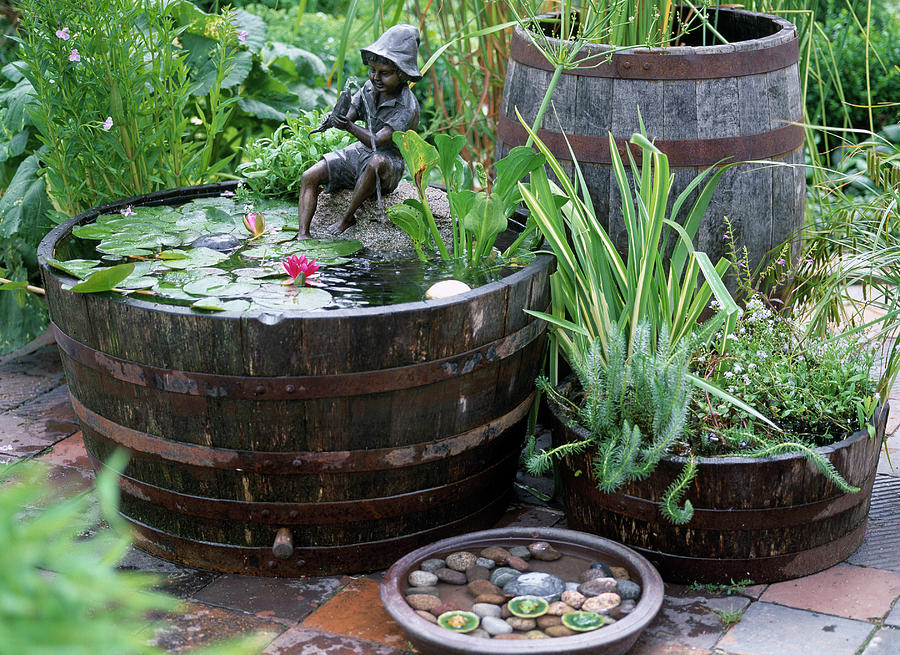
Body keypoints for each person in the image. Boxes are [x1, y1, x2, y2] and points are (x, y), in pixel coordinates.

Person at [296, 24, 422, 239]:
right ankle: (303, 234)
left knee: (376, 162)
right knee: (309, 176)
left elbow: (378, 141)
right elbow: (352, 111)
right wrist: (337, 116)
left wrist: (349, 126)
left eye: (385, 74)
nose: (376, 78)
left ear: (402, 74)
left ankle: (347, 218)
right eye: (372, 70)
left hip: (388, 162)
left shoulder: (406, 107)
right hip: (361, 152)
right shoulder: (370, 87)